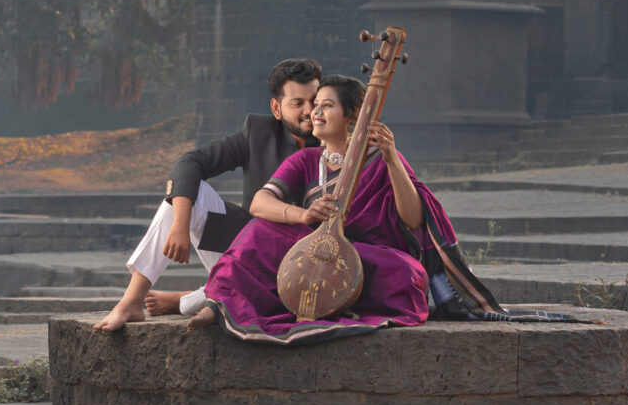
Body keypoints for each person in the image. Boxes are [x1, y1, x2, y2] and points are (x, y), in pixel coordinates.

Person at [188, 72, 505, 345]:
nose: (315, 112)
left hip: (366, 257)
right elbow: (260, 203)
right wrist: (304, 215)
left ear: (352, 116)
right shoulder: (307, 160)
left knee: (408, 274)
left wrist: (392, 159)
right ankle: (219, 305)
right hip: (315, 253)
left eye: (327, 105)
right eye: (316, 105)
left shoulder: (380, 159)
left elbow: (412, 219)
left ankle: (319, 303)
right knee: (259, 233)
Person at [91, 57, 321, 333]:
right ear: (276, 108)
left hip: (305, 264)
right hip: (249, 249)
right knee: (188, 196)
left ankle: (186, 300)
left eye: (315, 101)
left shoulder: (336, 138)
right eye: (297, 103)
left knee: (240, 301)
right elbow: (190, 163)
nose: (310, 111)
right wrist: (180, 224)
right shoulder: (258, 134)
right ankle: (131, 300)